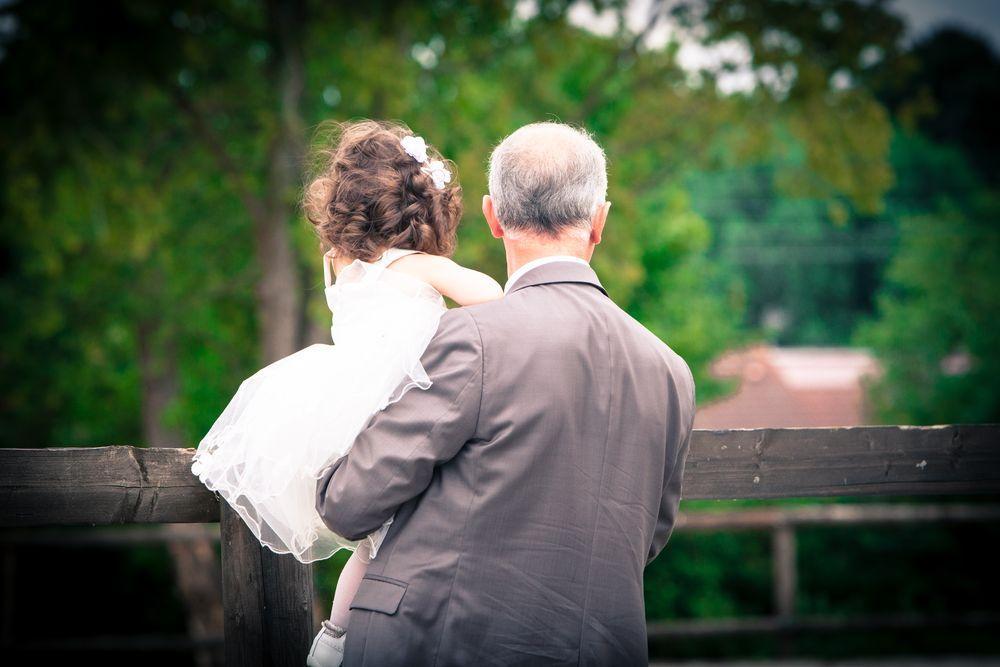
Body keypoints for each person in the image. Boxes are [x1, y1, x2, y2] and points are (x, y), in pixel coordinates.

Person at [314, 120, 697, 666]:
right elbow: (647, 535)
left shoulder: (471, 338)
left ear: (493, 217)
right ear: (600, 222)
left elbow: (350, 504)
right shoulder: (670, 370)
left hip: (443, 646)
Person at [185, 119, 504, 667]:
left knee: (375, 538)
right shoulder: (417, 264)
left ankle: (334, 636)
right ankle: (346, 638)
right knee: (395, 532)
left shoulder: (338, 263)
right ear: (421, 210)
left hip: (336, 403)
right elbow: (493, 294)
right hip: (391, 406)